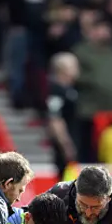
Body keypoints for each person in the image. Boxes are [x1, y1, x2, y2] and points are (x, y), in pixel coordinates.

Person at [45, 52, 79, 181]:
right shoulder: (56, 90)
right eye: (74, 66)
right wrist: (66, 144)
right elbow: (55, 119)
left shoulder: (71, 89)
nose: (77, 69)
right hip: (64, 146)